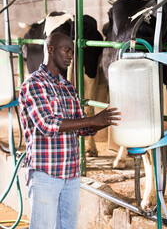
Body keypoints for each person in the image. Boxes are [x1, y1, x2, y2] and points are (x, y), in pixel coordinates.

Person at [18, 32, 121, 229]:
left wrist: (106, 119)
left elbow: (82, 128)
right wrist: (92, 118)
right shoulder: (34, 83)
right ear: (51, 49)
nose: (70, 56)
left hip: (71, 174)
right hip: (45, 172)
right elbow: (48, 125)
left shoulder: (67, 87)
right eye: (67, 50)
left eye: (72, 52)